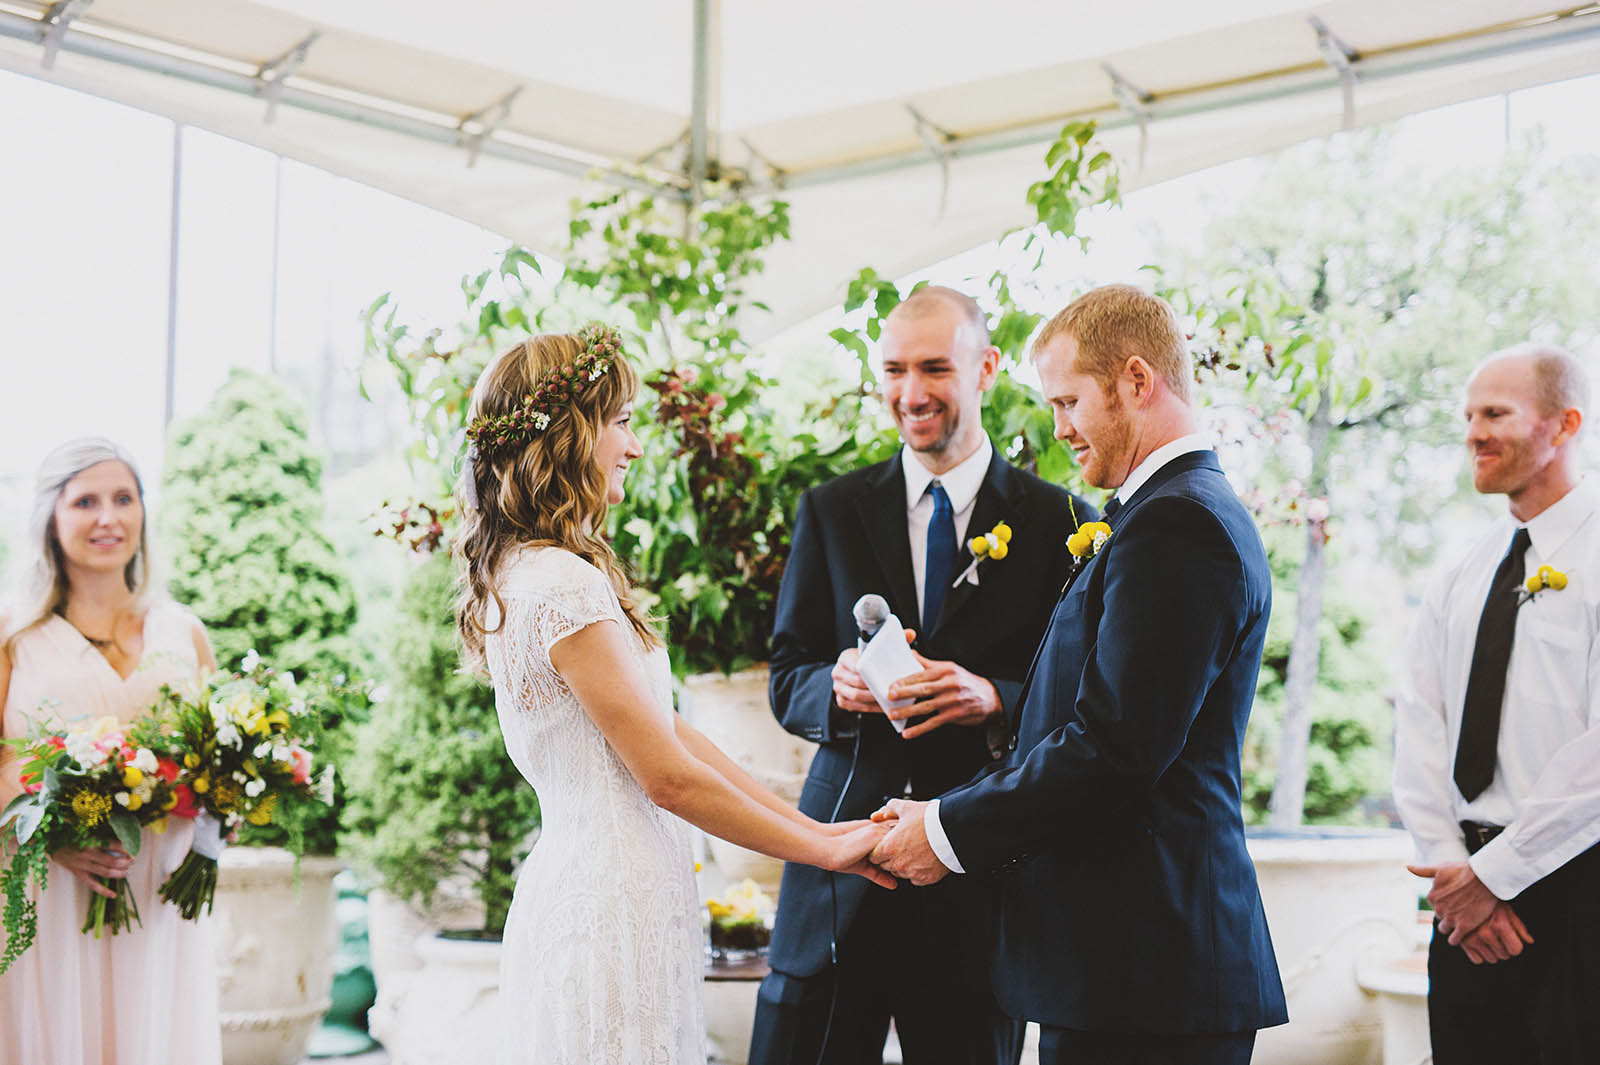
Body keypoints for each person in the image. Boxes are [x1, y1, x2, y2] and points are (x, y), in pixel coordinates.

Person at [871, 284, 1288, 1065]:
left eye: (1068, 401)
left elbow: (1114, 747)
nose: (1059, 428)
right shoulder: (1158, 512)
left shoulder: (1179, 522)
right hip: (1123, 971)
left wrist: (945, 828)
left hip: (1151, 975)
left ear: (1137, 380)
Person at [454, 325, 892, 1064]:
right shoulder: (563, 584)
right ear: (568, 435)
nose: (633, 445)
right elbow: (667, 778)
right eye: (620, 422)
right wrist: (823, 850)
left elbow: (673, 737)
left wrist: (808, 827)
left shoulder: (526, 571)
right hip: (611, 906)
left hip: (606, 890)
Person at [749, 286, 1090, 1065]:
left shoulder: (1060, 522)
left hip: (975, 880)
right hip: (836, 875)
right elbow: (788, 677)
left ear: (987, 368)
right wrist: (836, 688)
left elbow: (1079, 704)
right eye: (895, 370)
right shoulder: (830, 509)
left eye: (934, 368)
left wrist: (994, 698)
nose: (911, 393)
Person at [1393, 344, 1599, 1064]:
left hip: (1577, 889)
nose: (1474, 433)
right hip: (1461, 901)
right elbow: (1419, 721)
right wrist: (1454, 872)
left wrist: (1495, 876)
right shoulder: (1464, 565)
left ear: (1565, 424)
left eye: (1495, 414)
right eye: (1468, 416)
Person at [0, 437, 222, 1065]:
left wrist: (217, 821)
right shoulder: (13, 634)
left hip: (161, 896)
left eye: (125, 499)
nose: (109, 518)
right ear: (50, 516)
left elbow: (217, 764)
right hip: (49, 893)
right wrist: (50, 841)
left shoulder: (183, 632)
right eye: (86, 502)